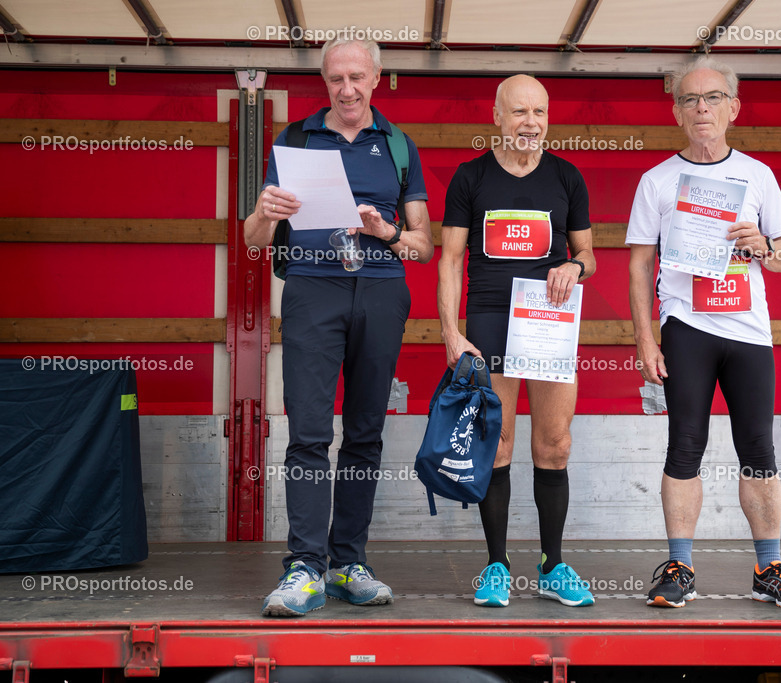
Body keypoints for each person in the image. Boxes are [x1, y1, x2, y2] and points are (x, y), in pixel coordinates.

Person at [245, 38, 434, 616]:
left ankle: (348, 563)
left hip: (380, 288)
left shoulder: (399, 146)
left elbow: (424, 246)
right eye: (335, 79)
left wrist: (388, 234)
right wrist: (264, 213)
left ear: (377, 78)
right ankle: (304, 567)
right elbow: (253, 240)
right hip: (311, 288)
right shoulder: (294, 139)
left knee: (365, 433)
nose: (346, 89)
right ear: (324, 81)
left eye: (357, 77)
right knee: (307, 431)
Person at [627, 57, 781, 610]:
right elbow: (639, 265)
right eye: (690, 99)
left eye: (713, 98)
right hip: (686, 327)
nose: (702, 107)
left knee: (758, 446)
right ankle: (680, 566)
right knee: (684, 443)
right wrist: (645, 338)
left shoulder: (758, 175)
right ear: (676, 112)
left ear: (734, 108)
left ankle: (770, 567)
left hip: (748, 331)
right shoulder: (656, 180)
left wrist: (759, 243)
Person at [438, 74, 597, 608]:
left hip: (549, 324)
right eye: (520, 112)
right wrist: (451, 333)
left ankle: (552, 564)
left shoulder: (567, 177)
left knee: (555, 446)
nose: (531, 123)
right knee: (498, 445)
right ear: (498, 116)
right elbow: (451, 260)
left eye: (540, 112)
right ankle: (497, 566)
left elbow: (590, 256)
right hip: (489, 324)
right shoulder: (470, 177)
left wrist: (574, 266)